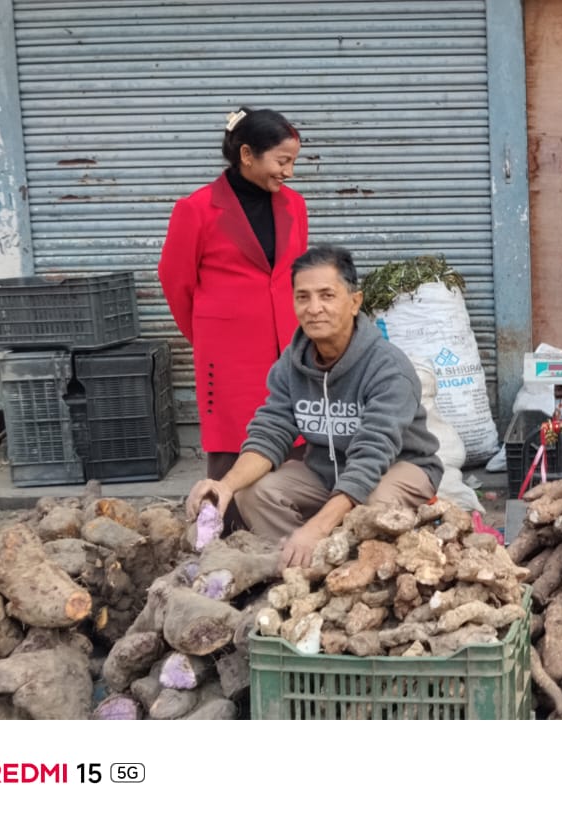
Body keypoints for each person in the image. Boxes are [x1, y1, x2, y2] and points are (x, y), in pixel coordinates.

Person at [185, 244, 444, 571]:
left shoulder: (388, 368)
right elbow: (269, 434)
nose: (314, 308)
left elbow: (371, 456)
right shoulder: (291, 365)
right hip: (326, 469)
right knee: (253, 493)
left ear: (355, 302)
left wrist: (316, 527)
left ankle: (360, 571)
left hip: (400, 466)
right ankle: (304, 567)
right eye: (303, 297)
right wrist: (225, 485)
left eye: (327, 295)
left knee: (373, 506)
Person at [159, 106, 309, 522]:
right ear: (247, 154)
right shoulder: (197, 209)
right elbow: (176, 282)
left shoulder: (295, 206)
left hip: (287, 345)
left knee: (292, 436)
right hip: (226, 355)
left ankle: (283, 525)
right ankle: (222, 536)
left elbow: (296, 275)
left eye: (293, 162)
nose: (290, 173)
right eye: (283, 161)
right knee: (232, 441)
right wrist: (208, 338)